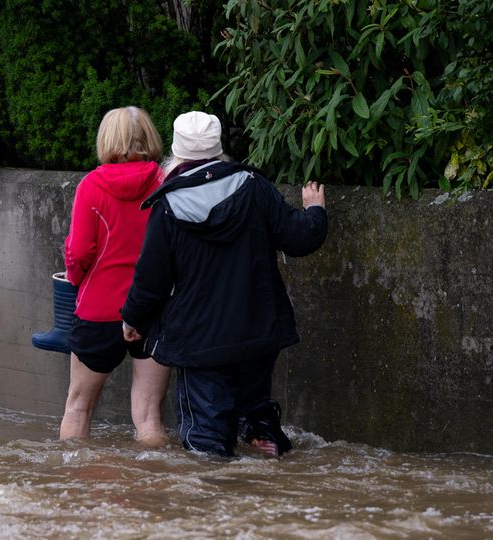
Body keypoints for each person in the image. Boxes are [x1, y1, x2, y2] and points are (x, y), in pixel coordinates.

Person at [121, 111, 328, 457]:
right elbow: (299, 238)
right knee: (256, 409)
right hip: (257, 330)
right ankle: (264, 441)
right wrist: (316, 211)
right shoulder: (253, 185)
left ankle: (216, 498)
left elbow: (151, 280)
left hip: (201, 342)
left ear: (177, 152)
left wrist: (133, 319)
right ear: (219, 149)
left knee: (207, 442)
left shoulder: (168, 205)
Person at [59, 106, 172, 447]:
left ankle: (73, 488)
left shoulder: (91, 185)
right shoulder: (165, 183)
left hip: (98, 310)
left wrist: (76, 281)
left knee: (78, 407)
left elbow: (78, 253)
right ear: (149, 138)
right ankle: (153, 487)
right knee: (150, 416)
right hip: (154, 309)